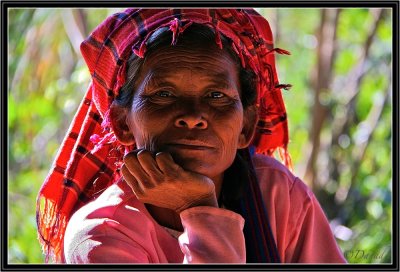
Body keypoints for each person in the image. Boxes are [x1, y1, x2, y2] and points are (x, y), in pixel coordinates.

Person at [36, 8, 347, 264]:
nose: (193, 116)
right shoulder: (102, 233)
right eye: (164, 93)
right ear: (122, 124)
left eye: (215, 95)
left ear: (247, 127)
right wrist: (199, 207)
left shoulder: (277, 195)